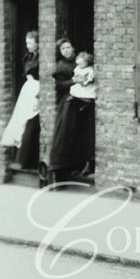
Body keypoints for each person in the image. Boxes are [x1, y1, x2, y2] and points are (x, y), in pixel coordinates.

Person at [48, 40, 96, 183]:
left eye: (68, 47)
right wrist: (73, 82)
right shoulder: (61, 66)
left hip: (85, 98)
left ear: (73, 48)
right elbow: (59, 85)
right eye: (63, 49)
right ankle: (62, 169)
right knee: (66, 131)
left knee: (86, 133)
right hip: (70, 99)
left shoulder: (82, 61)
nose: (66, 50)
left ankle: (86, 164)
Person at [0, 31, 40, 169]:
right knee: (21, 119)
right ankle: (21, 158)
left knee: (30, 120)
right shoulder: (28, 56)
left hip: (36, 89)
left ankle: (26, 159)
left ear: (37, 43)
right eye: (26, 43)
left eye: (30, 43)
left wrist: (39, 95)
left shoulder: (40, 58)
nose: (28, 46)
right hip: (28, 89)